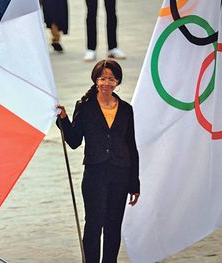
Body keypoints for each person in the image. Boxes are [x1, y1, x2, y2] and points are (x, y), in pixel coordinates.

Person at [56, 60, 139, 262]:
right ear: (96, 80)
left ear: (117, 81)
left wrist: (134, 183)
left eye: (112, 79)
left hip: (120, 173)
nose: (107, 83)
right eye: (103, 78)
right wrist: (64, 120)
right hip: (95, 175)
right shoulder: (84, 108)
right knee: (93, 225)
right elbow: (75, 141)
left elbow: (131, 146)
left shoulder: (126, 109)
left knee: (113, 227)